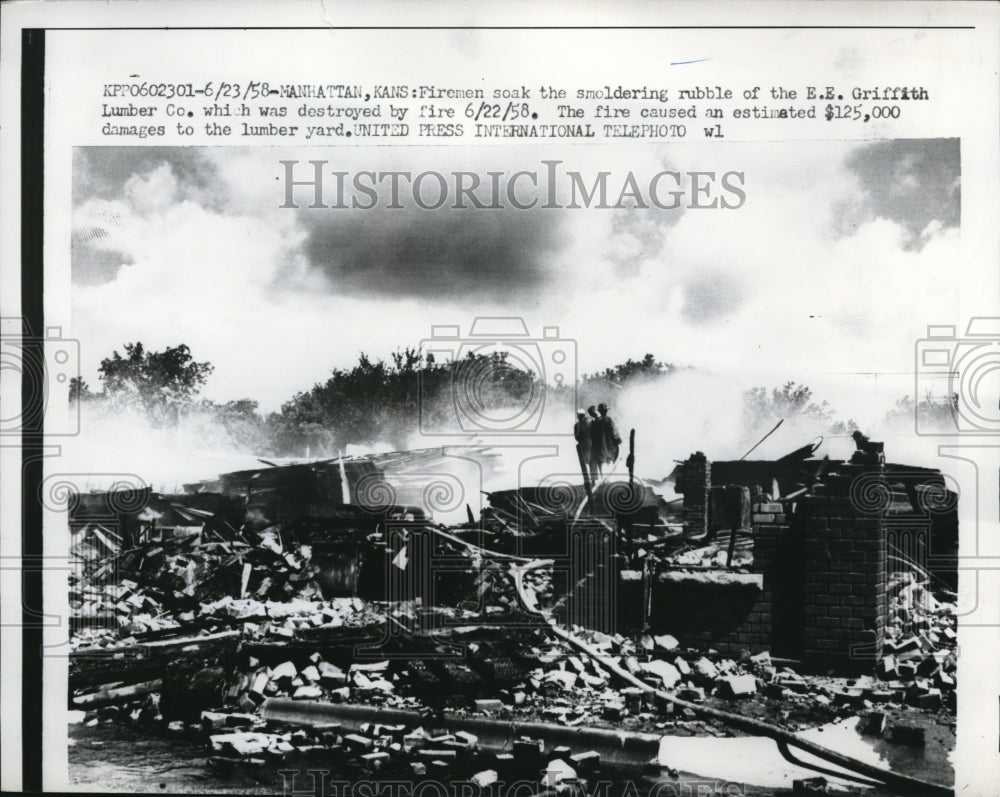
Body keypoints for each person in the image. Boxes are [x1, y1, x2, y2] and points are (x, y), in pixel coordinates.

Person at [591, 403, 622, 478]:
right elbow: (614, 431)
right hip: (610, 446)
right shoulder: (609, 420)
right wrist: (618, 440)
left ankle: (604, 479)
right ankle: (611, 479)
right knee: (610, 461)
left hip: (600, 446)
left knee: (602, 462)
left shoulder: (596, 422)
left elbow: (593, 435)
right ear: (606, 411)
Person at [573, 409, 592, 487]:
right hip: (590, 443)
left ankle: (588, 481)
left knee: (584, 463)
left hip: (583, 445)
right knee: (591, 462)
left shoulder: (577, 425)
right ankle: (593, 481)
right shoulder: (590, 421)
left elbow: (576, 437)